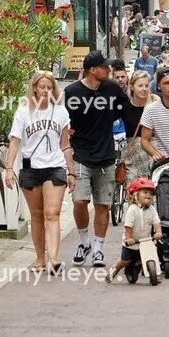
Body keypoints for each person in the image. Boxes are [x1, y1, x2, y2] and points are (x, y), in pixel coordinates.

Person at [4, 71, 75, 273]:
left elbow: (65, 144)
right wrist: (9, 168)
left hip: (55, 166)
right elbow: (15, 141)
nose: (45, 90)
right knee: (36, 215)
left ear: (54, 89)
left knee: (52, 213)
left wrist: (71, 172)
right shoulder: (23, 112)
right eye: (42, 86)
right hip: (31, 167)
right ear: (34, 88)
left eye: (49, 87)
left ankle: (54, 258)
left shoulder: (61, 113)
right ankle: (39, 258)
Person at [61, 51, 126, 268]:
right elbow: (64, 119)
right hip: (80, 154)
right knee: (80, 201)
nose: (109, 70)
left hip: (106, 154)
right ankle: (84, 242)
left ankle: (98, 249)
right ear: (92, 70)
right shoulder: (72, 91)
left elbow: (123, 109)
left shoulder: (112, 88)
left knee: (103, 205)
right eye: (104, 67)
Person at [105, 177, 163, 284]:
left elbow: (156, 222)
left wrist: (158, 232)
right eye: (145, 192)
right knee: (125, 261)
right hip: (131, 243)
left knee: (151, 256)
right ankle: (115, 269)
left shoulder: (152, 209)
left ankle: (155, 275)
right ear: (135, 195)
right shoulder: (132, 210)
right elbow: (128, 227)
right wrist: (129, 238)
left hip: (146, 241)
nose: (148, 195)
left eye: (150, 193)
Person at [120, 71, 159, 182]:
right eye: (140, 85)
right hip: (132, 156)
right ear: (132, 87)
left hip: (152, 154)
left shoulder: (155, 104)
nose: (144, 89)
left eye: (146, 85)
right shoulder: (125, 106)